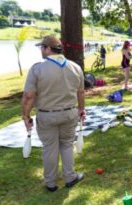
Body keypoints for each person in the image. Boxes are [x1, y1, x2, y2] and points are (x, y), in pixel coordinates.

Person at [21, 35, 85, 192]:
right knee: (67, 145)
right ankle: (70, 177)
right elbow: (81, 92)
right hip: (69, 113)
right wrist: (81, 109)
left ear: (48, 49)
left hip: (47, 115)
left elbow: (29, 96)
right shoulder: (75, 67)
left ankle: (51, 182)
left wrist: (25, 115)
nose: (41, 50)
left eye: (42, 47)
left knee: (50, 147)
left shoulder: (37, 69)